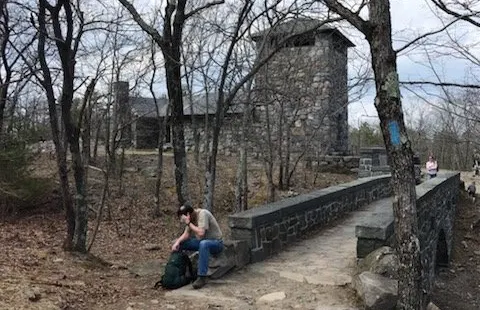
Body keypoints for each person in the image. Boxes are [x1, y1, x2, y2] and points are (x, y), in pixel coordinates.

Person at [171, 203, 223, 289]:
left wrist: (188, 223)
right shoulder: (191, 219)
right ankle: (178, 271)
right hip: (201, 242)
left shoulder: (203, 214)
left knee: (204, 244)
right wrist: (177, 242)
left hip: (216, 243)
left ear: (188, 214)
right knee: (179, 243)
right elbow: (186, 234)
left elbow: (201, 233)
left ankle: (202, 277)